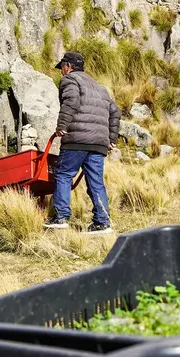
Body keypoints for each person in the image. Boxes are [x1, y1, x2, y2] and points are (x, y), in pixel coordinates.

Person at [44, 51, 120, 234]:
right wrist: (111, 139)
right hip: (98, 143)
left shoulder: (70, 80)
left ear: (68, 66)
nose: (61, 72)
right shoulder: (100, 88)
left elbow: (71, 101)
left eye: (62, 67)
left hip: (77, 139)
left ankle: (60, 217)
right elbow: (115, 112)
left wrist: (62, 125)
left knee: (63, 174)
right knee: (96, 181)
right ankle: (102, 222)